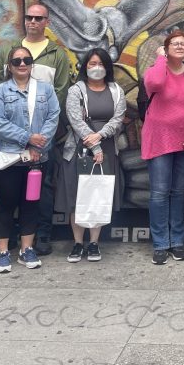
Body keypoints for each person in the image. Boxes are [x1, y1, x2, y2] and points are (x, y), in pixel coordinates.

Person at [0, 2, 74, 256]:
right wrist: (21, 135)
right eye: (29, 17)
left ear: (47, 21)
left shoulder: (57, 54)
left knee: (41, 189)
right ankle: (8, 241)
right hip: (9, 139)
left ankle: (42, 237)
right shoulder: (9, 50)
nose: (33, 22)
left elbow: (59, 95)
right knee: (6, 192)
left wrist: (38, 138)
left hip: (43, 139)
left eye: (39, 18)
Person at [0, 45, 60, 274]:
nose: (22, 64)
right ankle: (3, 251)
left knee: (31, 204)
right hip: (9, 158)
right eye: (17, 61)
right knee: (6, 204)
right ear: (9, 66)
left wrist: (40, 145)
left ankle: (27, 249)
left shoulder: (45, 90)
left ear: (32, 63)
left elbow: (53, 117)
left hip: (37, 159)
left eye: (26, 60)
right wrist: (28, 139)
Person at [58, 48, 125, 263]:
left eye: (100, 64)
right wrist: (94, 145)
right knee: (77, 197)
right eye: (92, 64)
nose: (96, 68)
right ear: (85, 67)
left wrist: (100, 136)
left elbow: (118, 119)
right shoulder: (76, 90)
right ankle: (78, 243)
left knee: (98, 196)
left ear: (107, 67)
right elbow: (75, 120)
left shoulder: (116, 90)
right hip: (80, 149)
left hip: (107, 149)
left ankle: (94, 243)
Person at [142, 30, 184, 265]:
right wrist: (159, 59)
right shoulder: (156, 71)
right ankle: (160, 244)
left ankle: (177, 242)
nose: (179, 46)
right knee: (159, 193)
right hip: (159, 139)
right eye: (174, 44)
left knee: (178, 193)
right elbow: (155, 84)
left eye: (183, 44)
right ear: (166, 49)